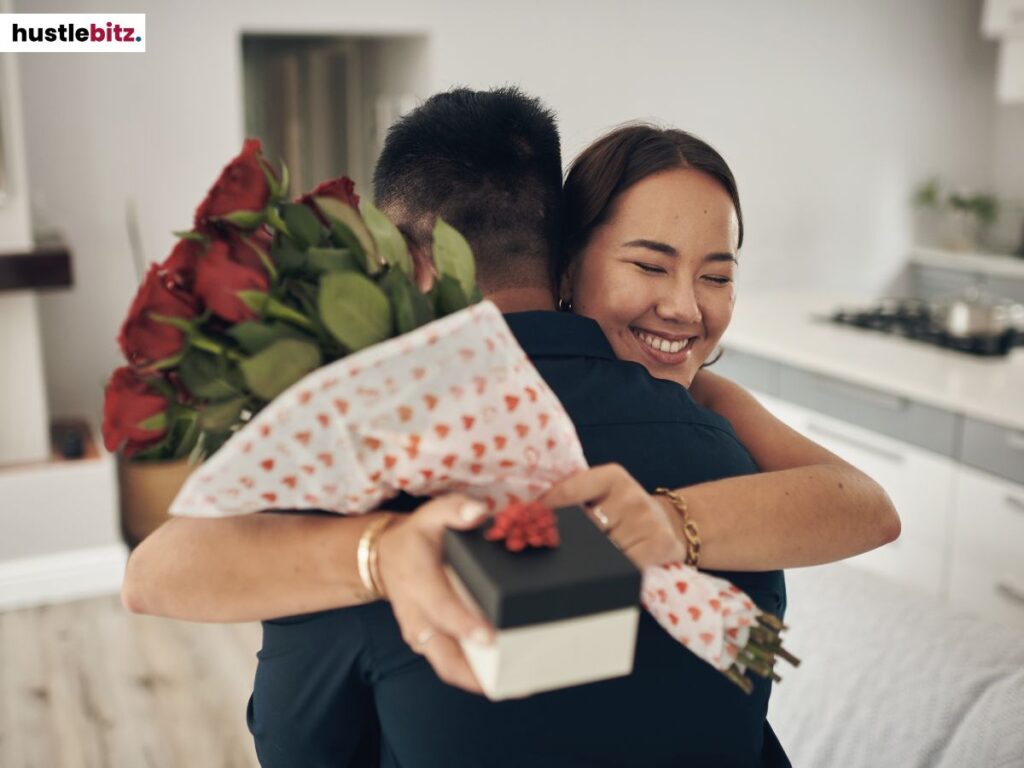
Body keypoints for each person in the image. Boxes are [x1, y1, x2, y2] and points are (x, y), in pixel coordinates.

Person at [122, 87, 899, 766]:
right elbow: (751, 681)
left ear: (407, 262)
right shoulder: (732, 457)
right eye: (650, 265)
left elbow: (294, 746)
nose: (685, 307)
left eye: (718, 275)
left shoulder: (382, 472)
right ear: (562, 260)